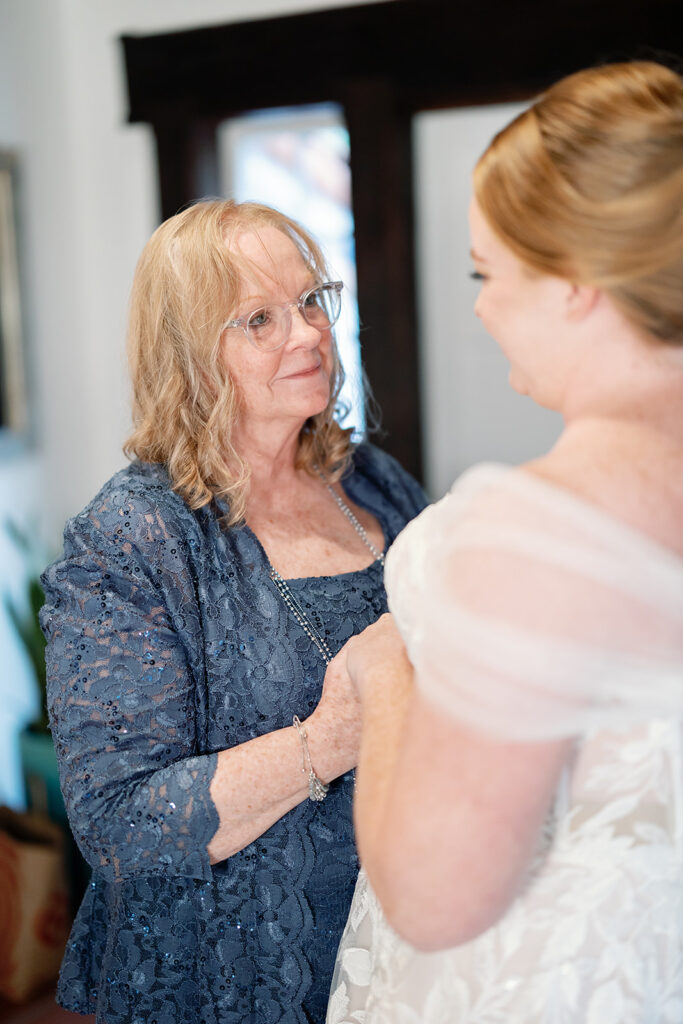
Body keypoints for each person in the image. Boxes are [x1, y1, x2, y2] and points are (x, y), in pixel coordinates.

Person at [327, 60, 683, 1023]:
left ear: (574, 283)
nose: (481, 307)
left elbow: (436, 896)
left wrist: (385, 673)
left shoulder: (538, 527)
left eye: (491, 273)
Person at [40, 199, 426, 1024]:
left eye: (311, 301)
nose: (308, 335)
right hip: (231, 979)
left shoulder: (372, 482)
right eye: (260, 318)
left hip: (401, 949)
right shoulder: (132, 539)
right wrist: (328, 740)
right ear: (188, 356)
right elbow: (119, 825)